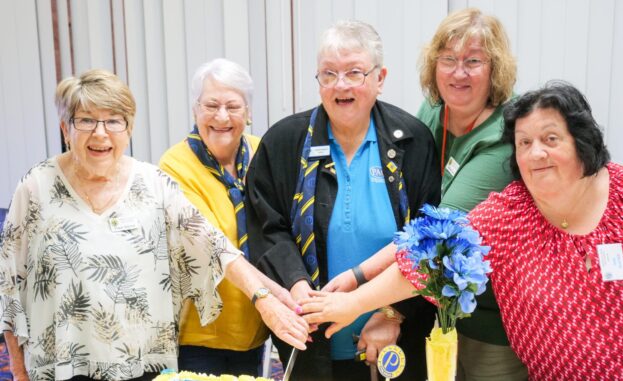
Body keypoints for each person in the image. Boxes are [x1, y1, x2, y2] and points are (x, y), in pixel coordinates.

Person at [300, 82, 623, 380]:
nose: (535, 154)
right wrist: (354, 303)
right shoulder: (509, 214)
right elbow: (427, 259)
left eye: (550, 139)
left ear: (582, 141)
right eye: (523, 143)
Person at [0, 69, 308, 381]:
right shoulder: (37, 187)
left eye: (113, 121)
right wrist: (18, 368)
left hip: (141, 364)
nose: (100, 133)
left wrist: (267, 297)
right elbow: (9, 282)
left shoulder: (153, 184)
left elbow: (214, 246)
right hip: (60, 366)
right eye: (86, 120)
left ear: (129, 128)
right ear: (66, 128)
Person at [322, 8, 525, 380]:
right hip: (435, 312)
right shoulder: (435, 110)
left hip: (491, 322)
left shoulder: (503, 138)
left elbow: (430, 236)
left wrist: (356, 286)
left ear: (495, 69)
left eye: (473, 61)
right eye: (447, 59)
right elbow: (411, 203)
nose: (458, 72)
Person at [245, 20, 440, 380]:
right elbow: (267, 226)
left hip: (392, 343)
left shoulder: (412, 140)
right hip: (311, 341)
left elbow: (428, 238)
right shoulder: (285, 143)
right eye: (328, 74)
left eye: (354, 73)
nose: (340, 85)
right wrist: (295, 282)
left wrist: (392, 312)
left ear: (380, 78)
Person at [159, 59, 268, 376]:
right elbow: (210, 247)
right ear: (195, 109)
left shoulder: (263, 153)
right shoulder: (174, 165)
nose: (222, 117)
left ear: (248, 112)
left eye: (233, 106)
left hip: (256, 327)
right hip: (200, 334)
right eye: (211, 105)